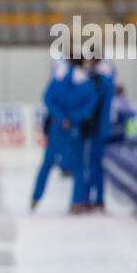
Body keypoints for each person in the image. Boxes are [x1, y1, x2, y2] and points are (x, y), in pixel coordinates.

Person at [32, 56, 97, 212]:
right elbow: (89, 106)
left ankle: (35, 197)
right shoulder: (86, 84)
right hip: (74, 130)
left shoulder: (57, 79)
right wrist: (72, 119)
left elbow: (47, 99)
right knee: (78, 168)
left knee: (47, 164)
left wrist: (61, 118)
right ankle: (76, 202)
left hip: (56, 128)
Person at [85, 53, 116, 212]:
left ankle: (90, 198)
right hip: (100, 129)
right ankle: (98, 199)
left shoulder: (96, 79)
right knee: (97, 166)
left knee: (91, 165)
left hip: (94, 129)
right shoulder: (107, 77)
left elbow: (91, 104)